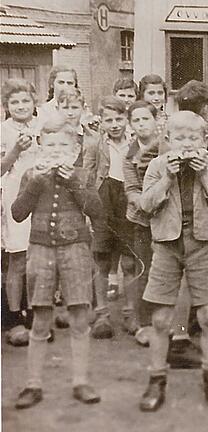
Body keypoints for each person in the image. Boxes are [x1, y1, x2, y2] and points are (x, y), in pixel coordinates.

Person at [138, 111, 208, 412]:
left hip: (202, 242)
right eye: (180, 138)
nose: (187, 144)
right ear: (168, 140)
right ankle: (156, 380)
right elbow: (146, 205)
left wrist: (203, 174)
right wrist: (168, 177)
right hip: (167, 243)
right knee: (161, 318)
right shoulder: (157, 165)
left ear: (204, 141)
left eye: (193, 138)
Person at [12, 114, 103, 409]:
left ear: (74, 151)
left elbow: (97, 211)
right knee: (40, 320)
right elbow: (17, 213)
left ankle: (80, 381)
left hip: (75, 249)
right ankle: (33, 384)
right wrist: (36, 182)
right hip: (40, 250)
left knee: (79, 317)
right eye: (49, 146)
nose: (55, 152)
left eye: (62, 147)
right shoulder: (31, 175)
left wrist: (75, 181)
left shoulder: (81, 175)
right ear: (40, 147)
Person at [82, 96, 137, 339]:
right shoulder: (95, 144)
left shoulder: (134, 143)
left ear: (126, 119)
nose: (114, 124)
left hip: (127, 199)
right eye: (109, 120)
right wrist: (88, 209)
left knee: (129, 261)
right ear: (101, 121)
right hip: (103, 200)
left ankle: (130, 313)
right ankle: (102, 313)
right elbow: (87, 176)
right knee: (102, 259)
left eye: (119, 119)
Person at [1, 79, 40, 346]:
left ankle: (36, 313)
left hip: (41, 194)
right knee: (17, 258)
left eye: (25, 100)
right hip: (14, 195)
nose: (21, 106)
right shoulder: (3, 131)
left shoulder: (42, 127)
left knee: (38, 257)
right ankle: (13, 317)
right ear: (6, 106)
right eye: (14, 102)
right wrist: (16, 149)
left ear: (34, 103)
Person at [122, 101, 160, 347]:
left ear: (155, 120)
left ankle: (178, 325)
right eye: (136, 120)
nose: (141, 124)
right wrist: (144, 201)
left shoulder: (167, 146)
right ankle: (145, 323)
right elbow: (131, 189)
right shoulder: (129, 154)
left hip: (170, 219)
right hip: (142, 219)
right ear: (131, 124)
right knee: (143, 270)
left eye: (146, 119)